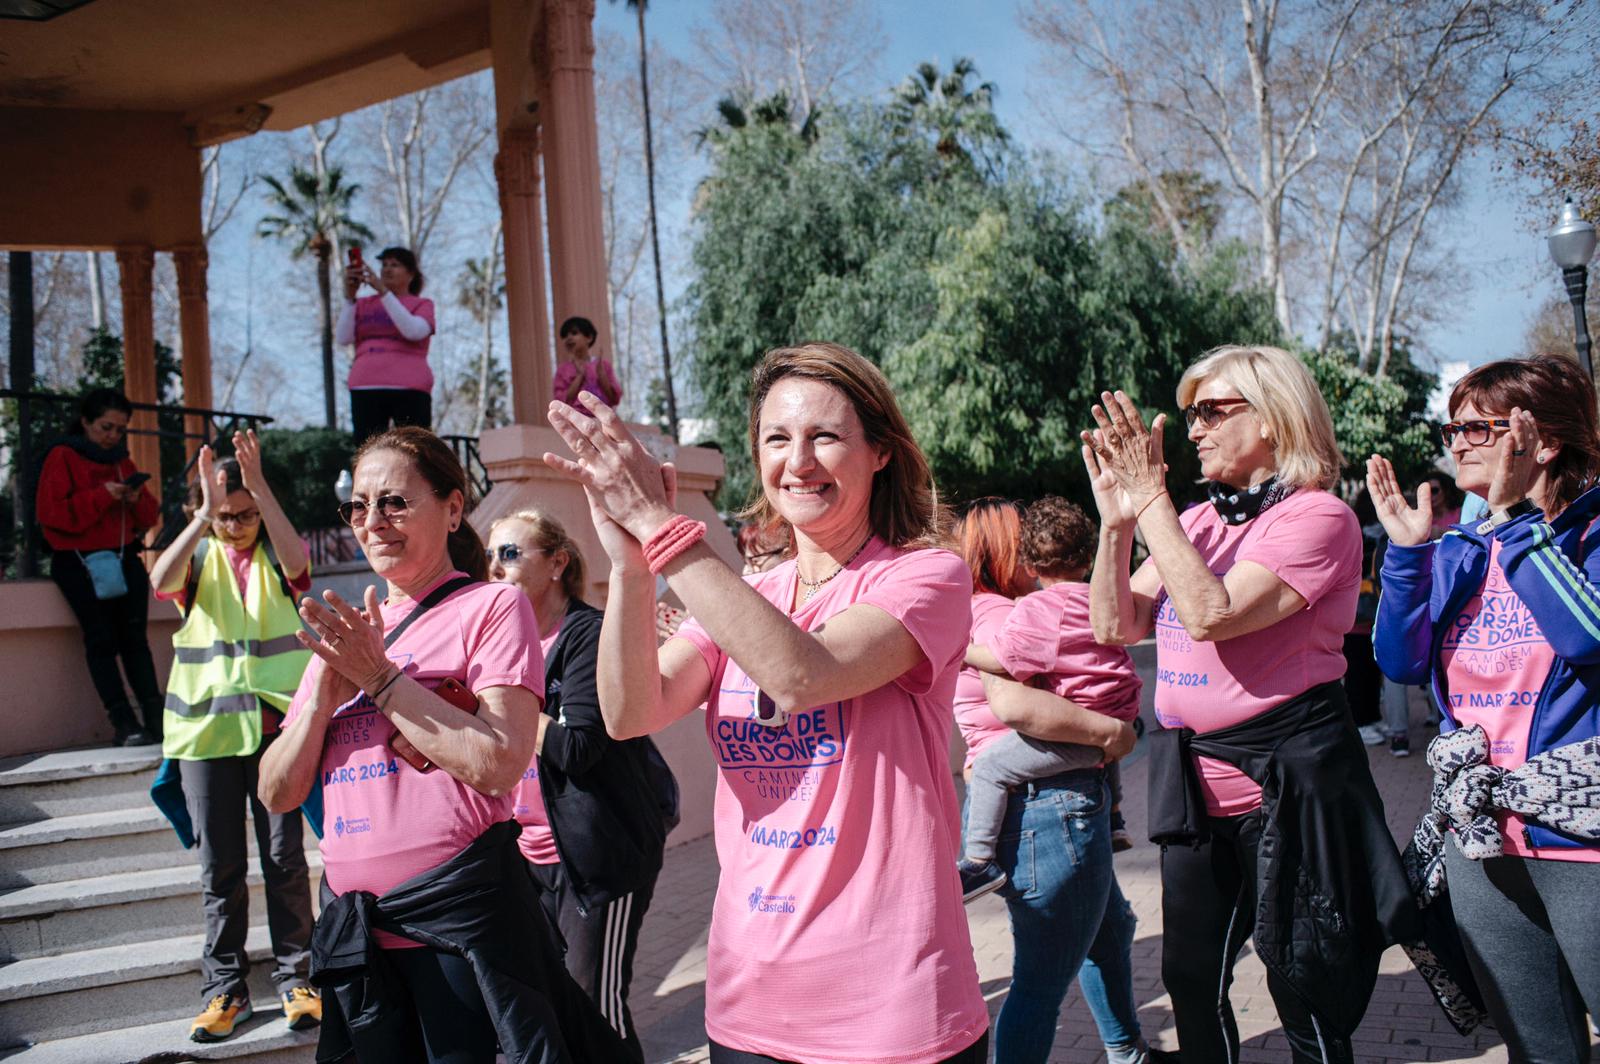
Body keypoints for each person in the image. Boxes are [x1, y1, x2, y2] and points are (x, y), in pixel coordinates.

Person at [545, 342, 990, 1063]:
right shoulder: (747, 597)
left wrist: (662, 529)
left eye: (825, 436)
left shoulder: (924, 578)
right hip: (751, 1001)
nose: (799, 461)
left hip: (890, 1007)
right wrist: (629, 566)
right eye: (777, 439)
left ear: (879, 451)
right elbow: (632, 712)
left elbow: (801, 673)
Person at [1084, 344, 1414, 1064]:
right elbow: (1115, 627)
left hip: (1288, 790)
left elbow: (1211, 612)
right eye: (1192, 413)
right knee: (1189, 978)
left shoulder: (1319, 517)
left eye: (1210, 411)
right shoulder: (1198, 520)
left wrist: (1151, 504)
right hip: (1196, 794)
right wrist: (1116, 524)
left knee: (1304, 983)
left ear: (1273, 418)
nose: (1193, 429)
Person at [258, 427, 624, 1063]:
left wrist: (380, 678)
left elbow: (500, 761)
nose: (373, 522)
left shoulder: (490, 606)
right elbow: (277, 789)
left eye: (395, 502)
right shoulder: (349, 632)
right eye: (359, 506)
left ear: (453, 508)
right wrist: (322, 697)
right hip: (362, 943)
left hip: (461, 938)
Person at [1369, 353, 1600, 1064]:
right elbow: (1400, 663)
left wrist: (1518, 523)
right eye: (1455, 428)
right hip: (1480, 835)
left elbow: (1587, 636)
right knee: (1538, 1046)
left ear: (1543, 440)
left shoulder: (1589, 534)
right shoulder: (1460, 549)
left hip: (1583, 840)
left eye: (1479, 428)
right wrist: (1409, 556)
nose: (1458, 443)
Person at [952, 498, 1171, 1064]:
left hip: (1047, 801)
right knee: (1041, 983)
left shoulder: (989, 608)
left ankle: (1125, 1050)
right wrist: (1113, 734)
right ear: (1007, 551)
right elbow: (1014, 704)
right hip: (1048, 807)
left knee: (1109, 928)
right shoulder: (1007, 614)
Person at [486, 509, 677, 1062]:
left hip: (598, 858)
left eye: (510, 554)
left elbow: (579, 747)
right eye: (490, 556)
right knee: (552, 1004)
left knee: (597, 1009)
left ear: (557, 563)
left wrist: (507, 708)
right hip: (528, 855)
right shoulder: (503, 643)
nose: (495, 568)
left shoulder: (587, 635)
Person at [148, 432, 319, 1042]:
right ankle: (225, 990)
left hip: (274, 729)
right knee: (219, 870)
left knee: (283, 860)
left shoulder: (275, 555)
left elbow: (300, 562)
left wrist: (261, 486)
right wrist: (200, 513)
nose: (238, 525)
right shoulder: (198, 558)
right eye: (228, 516)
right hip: (206, 736)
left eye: (246, 514)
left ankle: (300, 978)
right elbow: (159, 579)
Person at [958, 496, 1141, 902]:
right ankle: (1115, 819)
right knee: (1105, 933)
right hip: (1118, 710)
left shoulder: (1034, 609)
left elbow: (1004, 665)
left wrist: (961, 650)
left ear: (1030, 563)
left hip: (1061, 763)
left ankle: (978, 861)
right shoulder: (1100, 597)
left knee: (990, 767)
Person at [36, 387, 165, 746]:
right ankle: (124, 724)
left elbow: (149, 516)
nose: (113, 436)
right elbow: (51, 515)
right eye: (106, 427)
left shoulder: (121, 461)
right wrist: (101, 496)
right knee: (101, 642)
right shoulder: (62, 456)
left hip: (123, 558)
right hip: (78, 563)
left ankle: (156, 720)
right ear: (85, 422)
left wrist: (135, 498)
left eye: (120, 430)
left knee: (135, 641)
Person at [338, 246, 436, 443]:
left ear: (411, 274)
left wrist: (383, 292)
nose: (387, 270)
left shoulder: (422, 304)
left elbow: (414, 331)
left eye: (395, 265)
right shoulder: (363, 304)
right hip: (365, 384)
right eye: (384, 265)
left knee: (416, 449)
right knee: (368, 450)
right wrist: (349, 297)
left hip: (410, 386)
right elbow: (343, 337)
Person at [552, 316, 622, 416]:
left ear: (589, 337)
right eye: (565, 336)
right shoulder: (563, 370)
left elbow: (614, 399)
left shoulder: (603, 365)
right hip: (576, 420)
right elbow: (561, 401)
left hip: (603, 419)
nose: (569, 338)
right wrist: (579, 377)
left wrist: (602, 376)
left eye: (574, 333)